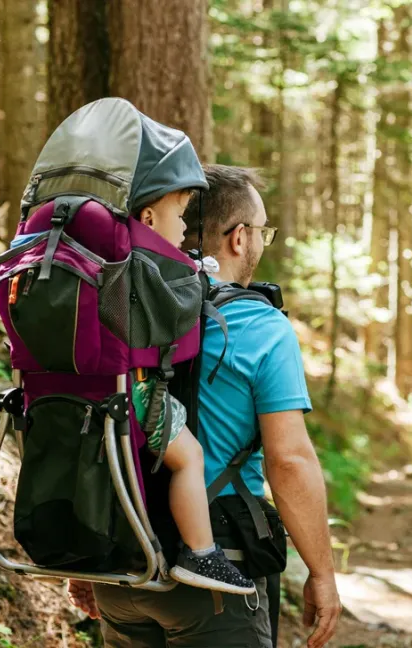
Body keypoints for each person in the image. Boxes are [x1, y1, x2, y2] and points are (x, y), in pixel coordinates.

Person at [69, 166, 342, 648]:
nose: (261, 240)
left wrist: (91, 557)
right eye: (262, 231)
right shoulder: (260, 327)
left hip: (126, 559)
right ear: (239, 237)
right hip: (216, 574)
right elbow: (289, 460)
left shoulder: (125, 311)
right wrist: (321, 571)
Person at [130, 187, 256, 596]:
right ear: (149, 218)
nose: (186, 228)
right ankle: (201, 553)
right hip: (140, 393)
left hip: (102, 397)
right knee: (190, 458)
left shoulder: (115, 259)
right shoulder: (153, 264)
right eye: (181, 216)